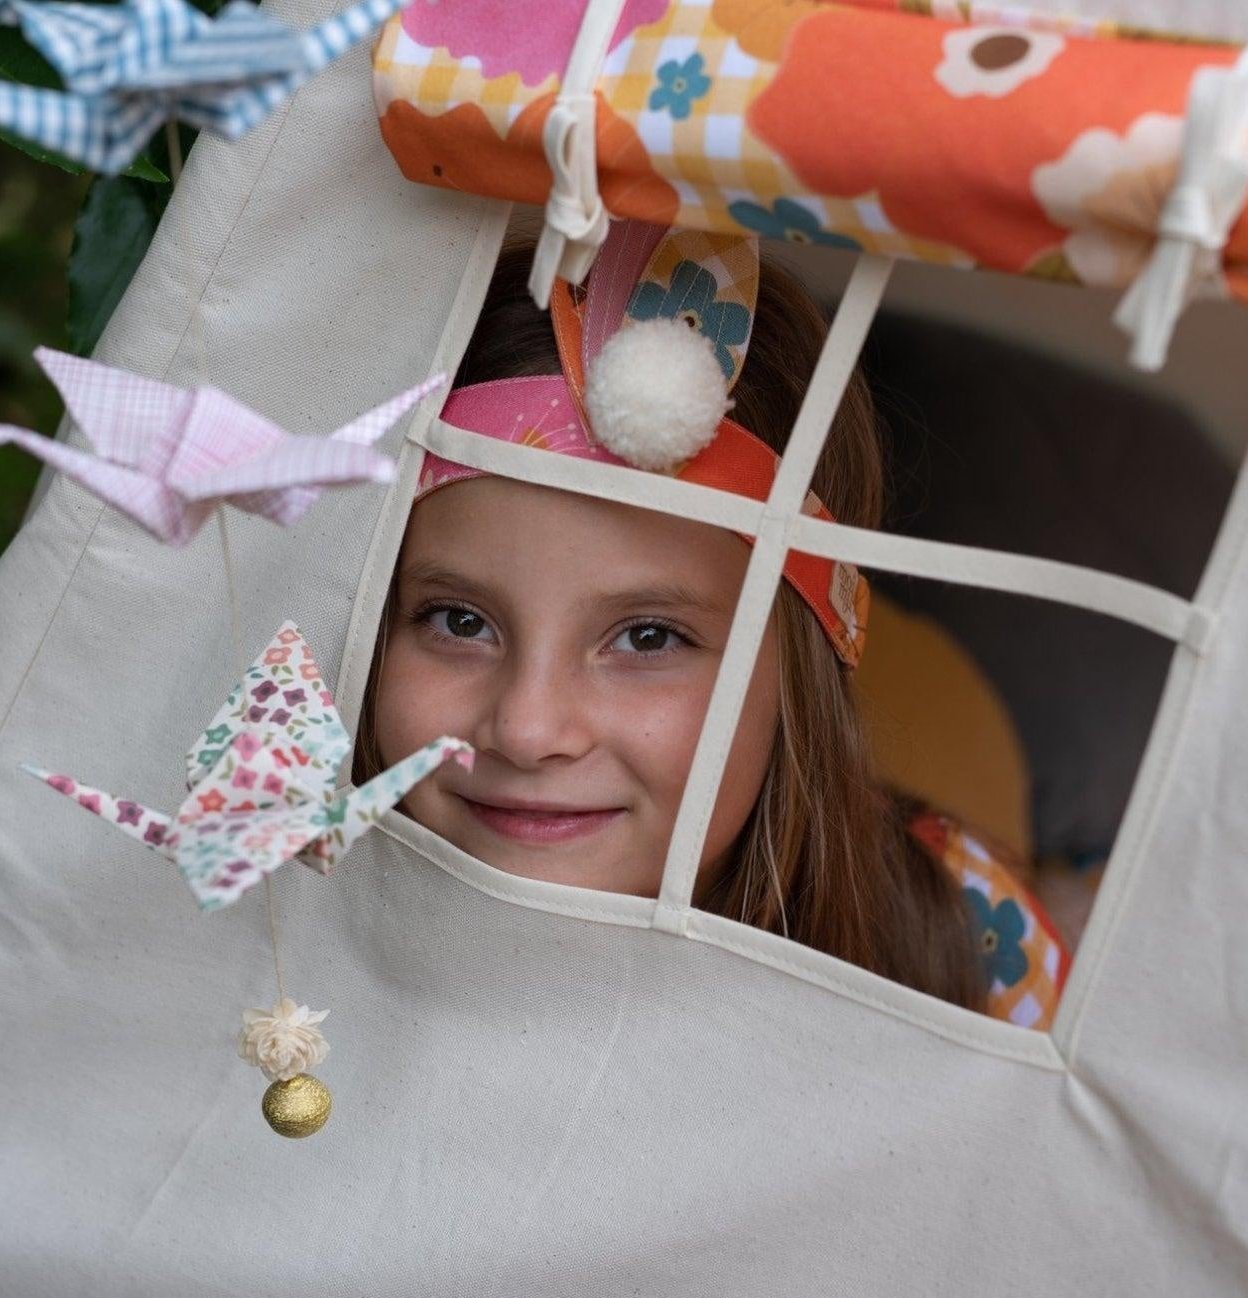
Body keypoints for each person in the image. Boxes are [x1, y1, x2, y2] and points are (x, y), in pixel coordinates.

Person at [354, 228, 1068, 1026]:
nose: (527, 729)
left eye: (648, 637)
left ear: (801, 665)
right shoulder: (277, 929)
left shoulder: (963, 944)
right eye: (459, 621)